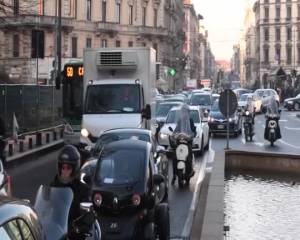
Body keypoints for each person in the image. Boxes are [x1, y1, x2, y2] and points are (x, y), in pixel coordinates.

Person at [50, 145, 89, 239]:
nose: (65, 172)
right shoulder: (53, 185)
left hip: (74, 233)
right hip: (56, 232)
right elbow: (45, 207)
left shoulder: (82, 188)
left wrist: (82, 226)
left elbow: (87, 216)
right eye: (63, 168)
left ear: (74, 169)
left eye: (68, 168)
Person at [171, 105, 196, 185]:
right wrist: (174, 135)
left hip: (187, 142)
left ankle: (189, 172)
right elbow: (176, 130)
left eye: (185, 111)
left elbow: (193, 131)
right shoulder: (179, 120)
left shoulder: (191, 120)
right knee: (174, 157)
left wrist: (190, 136)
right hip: (180, 142)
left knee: (189, 157)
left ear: (188, 113)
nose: (184, 113)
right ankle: (174, 175)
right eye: (183, 111)